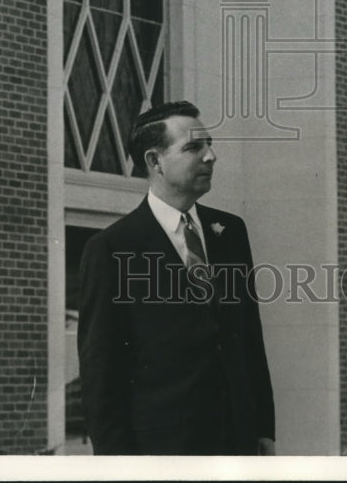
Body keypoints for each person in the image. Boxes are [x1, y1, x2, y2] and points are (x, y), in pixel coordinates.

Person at [78, 100, 276, 456]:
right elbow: (100, 377)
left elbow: (249, 337)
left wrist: (263, 429)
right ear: (155, 161)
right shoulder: (111, 249)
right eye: (193, 147)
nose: (210, 156)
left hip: (238, 447)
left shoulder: (230, 232)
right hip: (163, 453)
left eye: (210, 144)